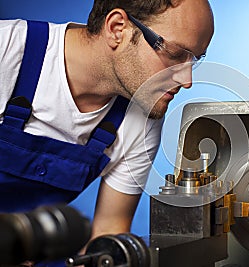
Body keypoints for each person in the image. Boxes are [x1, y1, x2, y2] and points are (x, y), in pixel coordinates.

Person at [0, 0, 214, 244]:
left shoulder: (142, 116)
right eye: (175, 54)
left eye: (194, 60)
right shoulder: (6, 51)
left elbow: (108, 233)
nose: (187, 81)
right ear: (117, 28)